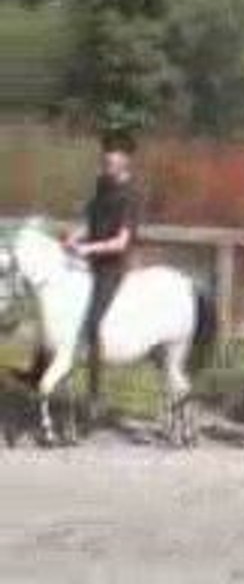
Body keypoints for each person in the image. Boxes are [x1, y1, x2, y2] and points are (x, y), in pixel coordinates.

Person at [65, 130, 141, 412]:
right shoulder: (102, 186)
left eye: (114, 153)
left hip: (112, 267)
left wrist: (88, 249)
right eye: (106, 152)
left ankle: (95, 394)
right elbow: (91, 221)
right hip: (90, 261)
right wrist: (75, 237)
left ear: (126, 160)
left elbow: (121, 242)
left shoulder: (131, 196)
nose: (108, 157)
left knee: (93, 322)